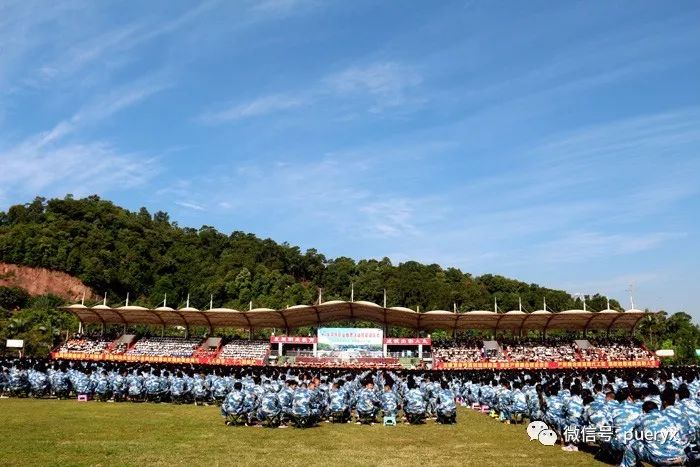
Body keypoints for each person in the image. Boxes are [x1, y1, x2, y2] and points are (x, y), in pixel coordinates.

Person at [621, 400, 690, 467]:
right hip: (679, 456)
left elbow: (634, 435)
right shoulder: (669, 417)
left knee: (631, 444)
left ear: (644, 411)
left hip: (658, 458)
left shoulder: (642, 418)